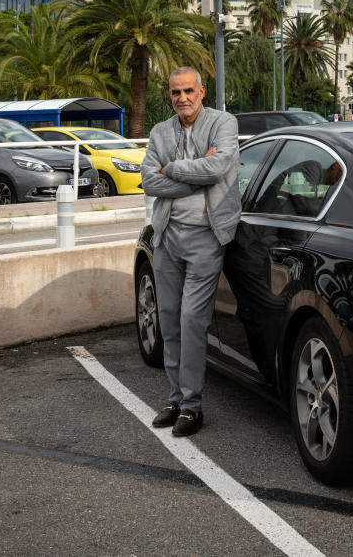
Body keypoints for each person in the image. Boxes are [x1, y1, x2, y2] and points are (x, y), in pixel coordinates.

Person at [141, 66, 241, 437]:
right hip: (167, 236)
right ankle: (175, 397)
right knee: (168, 318)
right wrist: (192, 177)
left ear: (202, 91)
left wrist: (172, 169)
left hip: (206, 237)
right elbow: (148, 180)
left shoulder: (222, 123)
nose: (181, 98)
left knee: (191, 320)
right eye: (175, 92)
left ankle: (192, 406)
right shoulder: (160, 131)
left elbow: (218, 167)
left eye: (188, 91)